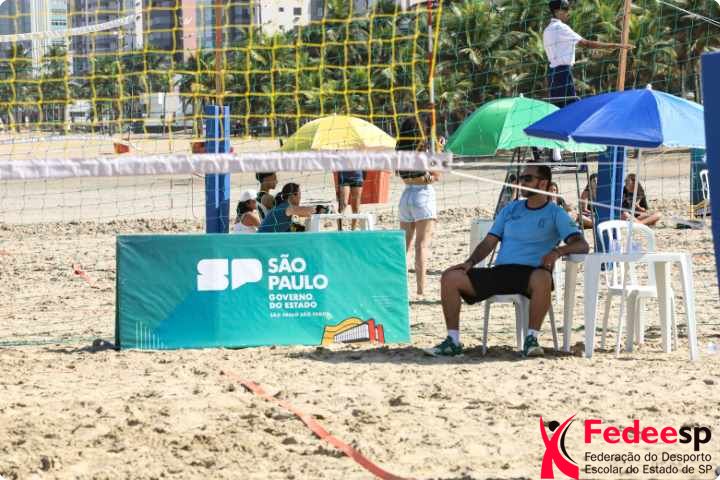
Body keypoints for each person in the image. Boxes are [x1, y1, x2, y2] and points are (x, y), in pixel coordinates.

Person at [427, 164, 589, 357]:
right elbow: (488, 242)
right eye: (521, 178)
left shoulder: (556, 213)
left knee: (543, 278)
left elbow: (582, 245)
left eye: (527, 178)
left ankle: (531, 340)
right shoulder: (510, 209)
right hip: (501, 271)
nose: (521, 182)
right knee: (450, 277)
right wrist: (469, 262)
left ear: (543, 183)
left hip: (531, 274)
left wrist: (557, 251)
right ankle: (453, 341)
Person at [544, 0, 633, 107]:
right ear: (557, 11)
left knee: (559, 106)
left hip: (552, 73)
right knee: (570, 107)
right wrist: (616, 45)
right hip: (562, 72)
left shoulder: (547, 30)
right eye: (565, 9)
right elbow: (586, 43)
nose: (568, 12)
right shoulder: (561, 27)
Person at [396, 116, 441, 296]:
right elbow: (436, 175)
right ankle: (421, 289)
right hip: (423, 195)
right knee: (421, 246)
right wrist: (439, 151)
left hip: (406, 196)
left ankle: (399, 287)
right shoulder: (424, 151)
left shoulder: (400, 152)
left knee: (404, 247)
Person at [258, 183, 328, 233]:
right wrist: (318, 209)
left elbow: (301, 215)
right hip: (261, 242)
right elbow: (302, 211)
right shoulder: (285, 207)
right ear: (292, 196)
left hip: (263, 240)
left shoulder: (281, 207)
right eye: (299, 195)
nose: (300, 198)